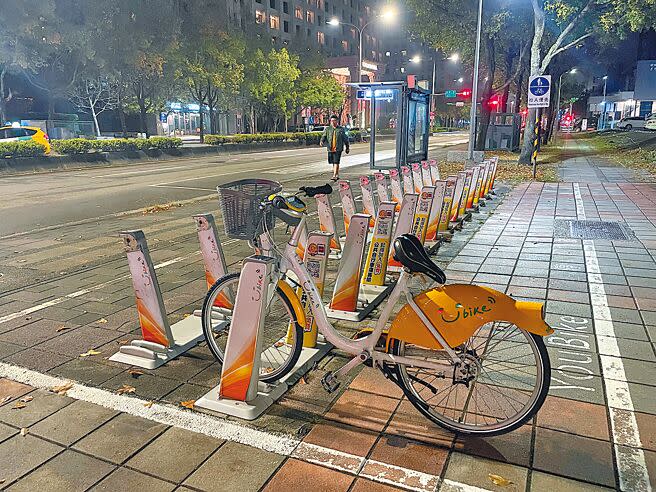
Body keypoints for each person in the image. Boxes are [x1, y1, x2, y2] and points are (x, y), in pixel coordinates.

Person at [319, 115, 350, 181]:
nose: (333, 122)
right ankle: (336, 174)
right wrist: (322, 141)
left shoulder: (341, 129)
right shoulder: (328, 129)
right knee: (333, 162)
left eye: (334, 121)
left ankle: (334, 175)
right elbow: (324, 136)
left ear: (337, 121)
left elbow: (345, 139)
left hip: (338, 148)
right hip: (330, 148)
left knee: (336, 161)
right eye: (332, 121)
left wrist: (347, 147)